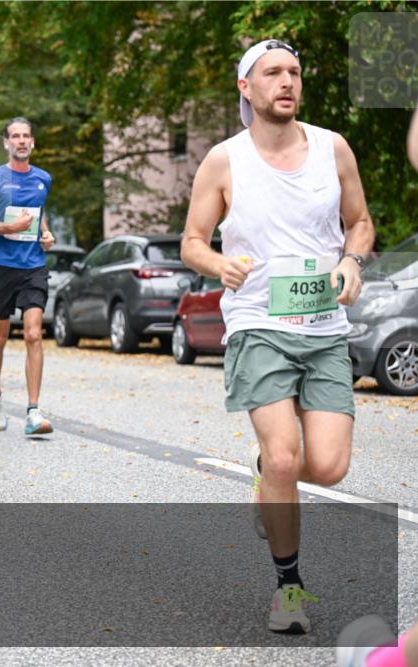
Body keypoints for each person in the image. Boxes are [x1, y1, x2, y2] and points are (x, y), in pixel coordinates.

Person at [180, 39, 374, 634]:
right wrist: (219, 267)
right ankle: (288, 589)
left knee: (330, 467)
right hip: (258, 323)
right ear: (247, 87)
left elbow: (360, 223)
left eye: (294, 71)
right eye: (272, 73)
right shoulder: (224, 160)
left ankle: (269, 473)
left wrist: (351, 264)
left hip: (322, 328)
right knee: (290, 457)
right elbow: (192, 240)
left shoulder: (332, 149)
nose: (286, 81)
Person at [0, 116, 56, 435]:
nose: (21, 141)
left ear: (33, 142)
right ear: (6, 143)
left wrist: (46, 234)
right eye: (15, 136)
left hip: (33, 266)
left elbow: (39, 212)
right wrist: (8, 228)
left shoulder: (42, 179)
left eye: (26, 136)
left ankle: (33, 411)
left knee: (34, 334)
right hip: (0, 266)